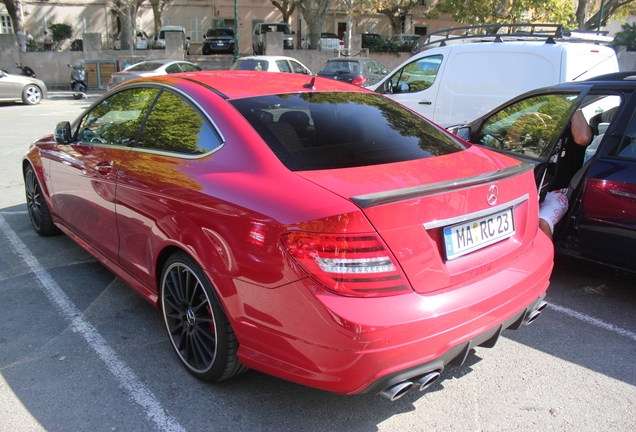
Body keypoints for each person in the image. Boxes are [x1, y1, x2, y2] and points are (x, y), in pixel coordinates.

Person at [538, 109, 592, 240]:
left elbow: (583, 138)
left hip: (558, 192)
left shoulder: (572, 134)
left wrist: (574, 106)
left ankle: (546, 259)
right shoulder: (536, 134)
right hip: (534, 187)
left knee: (542, 223)